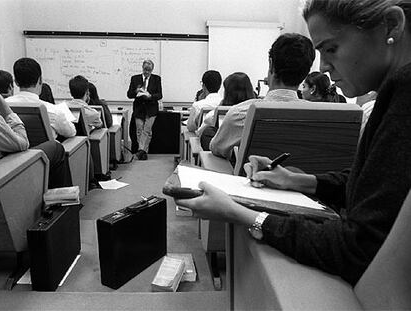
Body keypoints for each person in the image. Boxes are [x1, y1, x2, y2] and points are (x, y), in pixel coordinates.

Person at [176, 0, 411, 286]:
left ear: (392, 26)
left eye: (331, 49)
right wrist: (297, 180)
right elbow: (377, 184)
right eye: (319, 54)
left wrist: (242, 214)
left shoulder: (403, 98)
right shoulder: (376, 101)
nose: (323, 67)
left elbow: (358, 247)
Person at [209, 33, 315, 162]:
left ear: (271, 64)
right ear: (306, 72)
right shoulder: (321, 116)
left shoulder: (241, 113)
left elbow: (217, 149)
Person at [0, 92, 72, 188]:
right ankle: (64, 200)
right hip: (4, 174)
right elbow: (23, 143)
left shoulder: (9, 101)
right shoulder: (53, 109)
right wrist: (3, 107)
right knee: (56, 148)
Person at [6, 58, 76, 141]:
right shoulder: (52, 110)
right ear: (40, 80)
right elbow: (71, 132)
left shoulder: (4, 106)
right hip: (45, 152)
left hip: (14, 153)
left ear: (16, 82)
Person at [198, 72, 255, 150]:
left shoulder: (226, 113)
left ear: (228, 93)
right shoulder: (257, 109)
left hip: (230, 157)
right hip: (258, 157)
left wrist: (220, 106)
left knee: (207, 132)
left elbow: (200, 131)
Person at [127, 59, 162, 160]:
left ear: (152, 70)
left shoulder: (156, 79)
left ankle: (141, 150)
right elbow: (129, 94)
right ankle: (143, 152)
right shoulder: (135, 79)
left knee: (147, 130)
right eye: (145, 69)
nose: (147, 72)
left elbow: (159, 95)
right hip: (139, 108)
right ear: (142, 68)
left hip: (151, 108)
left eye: (149, 70)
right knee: (139, 130)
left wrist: (150, 96)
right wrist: (136, 91)